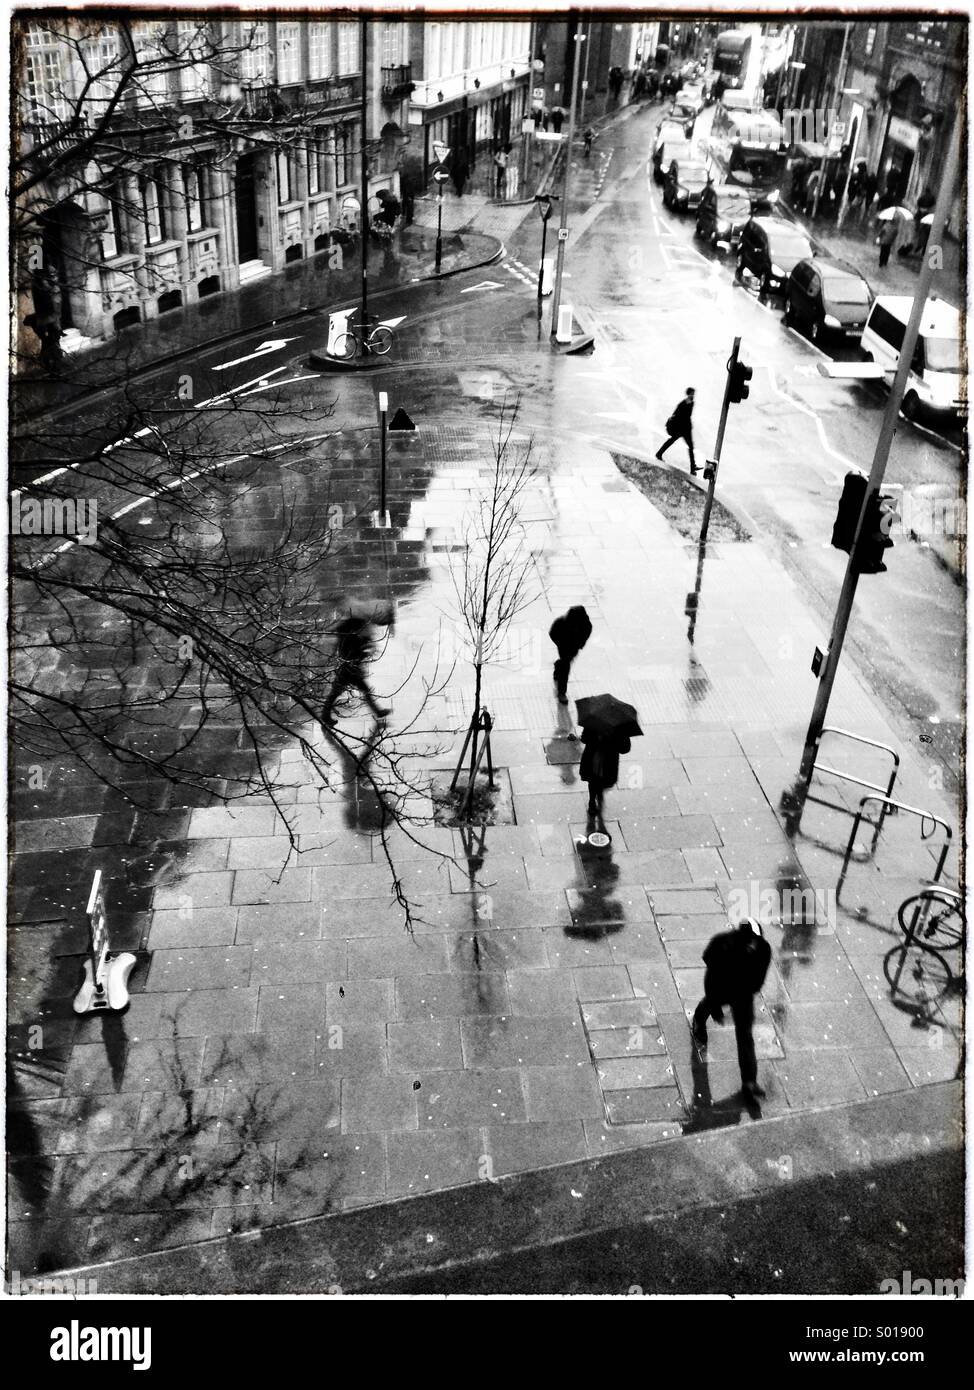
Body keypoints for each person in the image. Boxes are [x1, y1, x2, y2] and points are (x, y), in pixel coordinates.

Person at [692, 917, 772, 1100]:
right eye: (750, 940)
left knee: (745, 1036)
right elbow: (711, 976)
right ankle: (699, 1018)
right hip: (722, 986)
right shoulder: (723, 945)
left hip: (743, 994)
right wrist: (715, 1009)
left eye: (756, 940)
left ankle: (749, 1081)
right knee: (711, 1002)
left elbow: (759, 979)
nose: (754, 944)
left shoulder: (763, 949)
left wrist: (747, 989)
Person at [321, 616, 390, 725]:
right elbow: (353, 652)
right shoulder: (350, 637)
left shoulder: (348, 634)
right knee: (342, 691)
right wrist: (365, 650)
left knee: (338, 692)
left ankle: (378, 711)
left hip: (349, 668)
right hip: (349, 669)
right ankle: (377, 712)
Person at [580, 728, 630, 820]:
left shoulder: (593, 722)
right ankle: (595, 797)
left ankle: (592, 800)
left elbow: (584, 739)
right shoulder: (619, 726)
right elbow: (625, 748)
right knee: (597, 779)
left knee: (593, 780)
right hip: (607, 760)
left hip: (595, 758)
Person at [548, 605, 592, 705]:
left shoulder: (585, 624)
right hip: (564, 648)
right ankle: (562, 693)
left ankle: (558, 666)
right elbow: (553, 633)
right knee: (565, 668)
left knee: (564, 664)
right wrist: (560, 644)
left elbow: (586, 633)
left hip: (574, 648)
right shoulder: (562, 622)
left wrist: (580, 644)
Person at [656, 387, 697, 474]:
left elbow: (688, 416)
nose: (693, 395)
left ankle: (693, 468)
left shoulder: (692, 403)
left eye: (694, 394)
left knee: (690, 446)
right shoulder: (682, 404)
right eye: (692, 393)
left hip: (686, 429)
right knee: (673, 441)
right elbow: (676, 415)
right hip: (680, 428)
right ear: (688, 394)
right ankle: (659, 453)